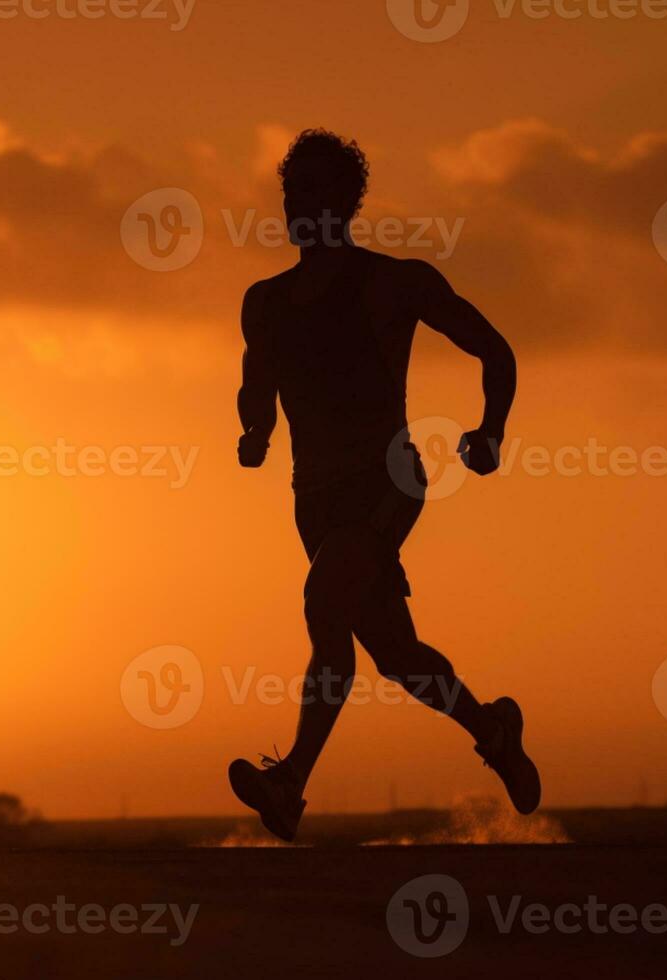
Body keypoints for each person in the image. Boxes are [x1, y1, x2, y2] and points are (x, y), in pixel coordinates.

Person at [228, 129, 540, 842]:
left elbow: (494, 349)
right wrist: (255, 433)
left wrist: (491, 429)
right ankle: (494, 729)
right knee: (396, 657)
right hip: (312, 498)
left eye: (314, 190)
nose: (297, 203)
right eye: (290, 190)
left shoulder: (393, 282)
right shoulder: (266, 302)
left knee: (323, 608)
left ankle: (289, 785)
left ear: (345, 201)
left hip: (386, 480)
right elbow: (257, 383)